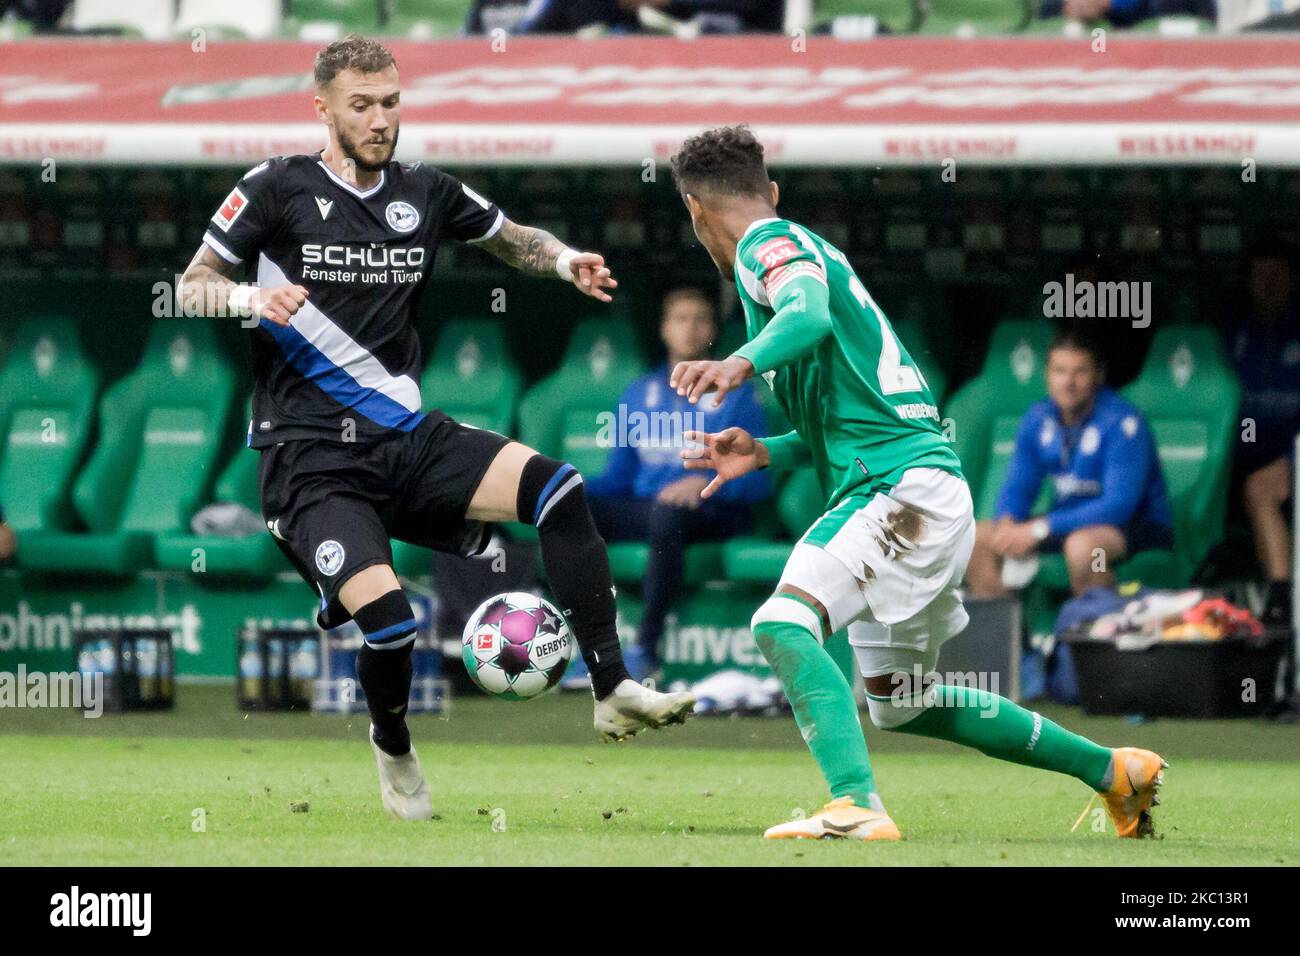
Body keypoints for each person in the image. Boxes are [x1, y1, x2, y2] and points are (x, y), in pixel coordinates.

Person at [179, 34, 694, 822]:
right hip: (310, 458)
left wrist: (563, 263)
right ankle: (392, 745)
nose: (380, 119)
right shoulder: (275, 187)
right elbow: (191, 288)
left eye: (390, 102)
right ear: (322, 108)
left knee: (559, 490)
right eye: (362, 104)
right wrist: (250, 300)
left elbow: (512, 238)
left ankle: (611, 686)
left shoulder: (425, 191)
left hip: (408, 441)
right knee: (390, 628)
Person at [668, 125, 1165, 842]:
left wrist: (737, 363)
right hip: (918, 486)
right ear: (770, 189)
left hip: (898, 493)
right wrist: (766, 453)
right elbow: (848, 424)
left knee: (782, 622)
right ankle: (1116, 771)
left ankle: (854, 801)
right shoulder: (811, 251)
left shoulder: (764, 247)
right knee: (899, 701)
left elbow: (802, 311)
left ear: (694, 210)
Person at [583, 287, 770, 679]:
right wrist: (567, 486)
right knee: (568, 507)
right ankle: (584, 647)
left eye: (700, 319)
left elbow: (757, 482)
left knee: (668, 514)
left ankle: (645, 650)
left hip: (716, 510)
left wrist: (705, 480)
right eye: (680, 319)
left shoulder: (736, 395)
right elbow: (618, 479)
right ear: (665, 329)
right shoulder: (638, 393)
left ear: (712, 332)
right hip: (647, 509)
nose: (690, 327)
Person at [966, 330, 1174, 599]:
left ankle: (1096, 635)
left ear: (1099, 375)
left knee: (1084, 549)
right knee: (977, 539)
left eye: (1080, 372)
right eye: (1060, 371)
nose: (1068, 382)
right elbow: (1018, 486)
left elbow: (1119, 506)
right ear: (1047, 375)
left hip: (1134, 528)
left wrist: (1039, 529)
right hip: (1067, 523)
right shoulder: (1038, 418)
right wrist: (1008, 524)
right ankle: (1012, 635)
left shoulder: (1123, 422)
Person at [1229, 238, 1300, 625]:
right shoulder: (1235, 334)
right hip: (1237, 460)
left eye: (1277, 275)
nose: (1267, 283)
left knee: (1260, 487)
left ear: (1292, 281)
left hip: (1292, 457)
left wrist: (1291, 461)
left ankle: (1281, 601)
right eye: (1259, 276)